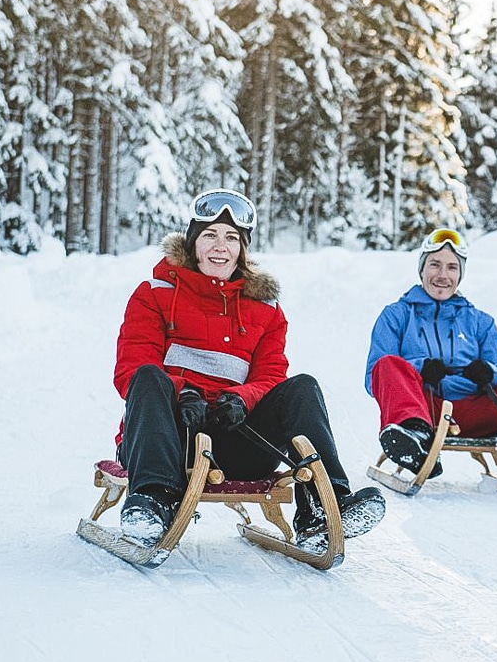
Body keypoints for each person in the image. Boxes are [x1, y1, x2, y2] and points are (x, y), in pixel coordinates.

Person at [112, 188, 384, 548]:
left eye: (231, 238)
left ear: (243, 248)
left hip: (234, 438)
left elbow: (271, 376)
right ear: (192, 242)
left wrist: (241, 398)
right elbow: (132, 368)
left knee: (302, 387)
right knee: (148, 377)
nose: (219, 247)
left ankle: (323, 507)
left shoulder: (266, 309)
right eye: (209, 235)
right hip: (166, 441)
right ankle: (152, 503)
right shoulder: (154, 292)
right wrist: (183, 393)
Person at [364, 228, 497, 487]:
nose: (443, 275)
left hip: (478, 410)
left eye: (452, 268)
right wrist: (419, 369)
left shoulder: (479, 322)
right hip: (426, 408)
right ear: (422, 269)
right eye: (435, 265)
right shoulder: (396, 316)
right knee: (387, 364)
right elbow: (374, 377)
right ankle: (415, 441)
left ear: (460, 274)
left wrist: (487, 372)